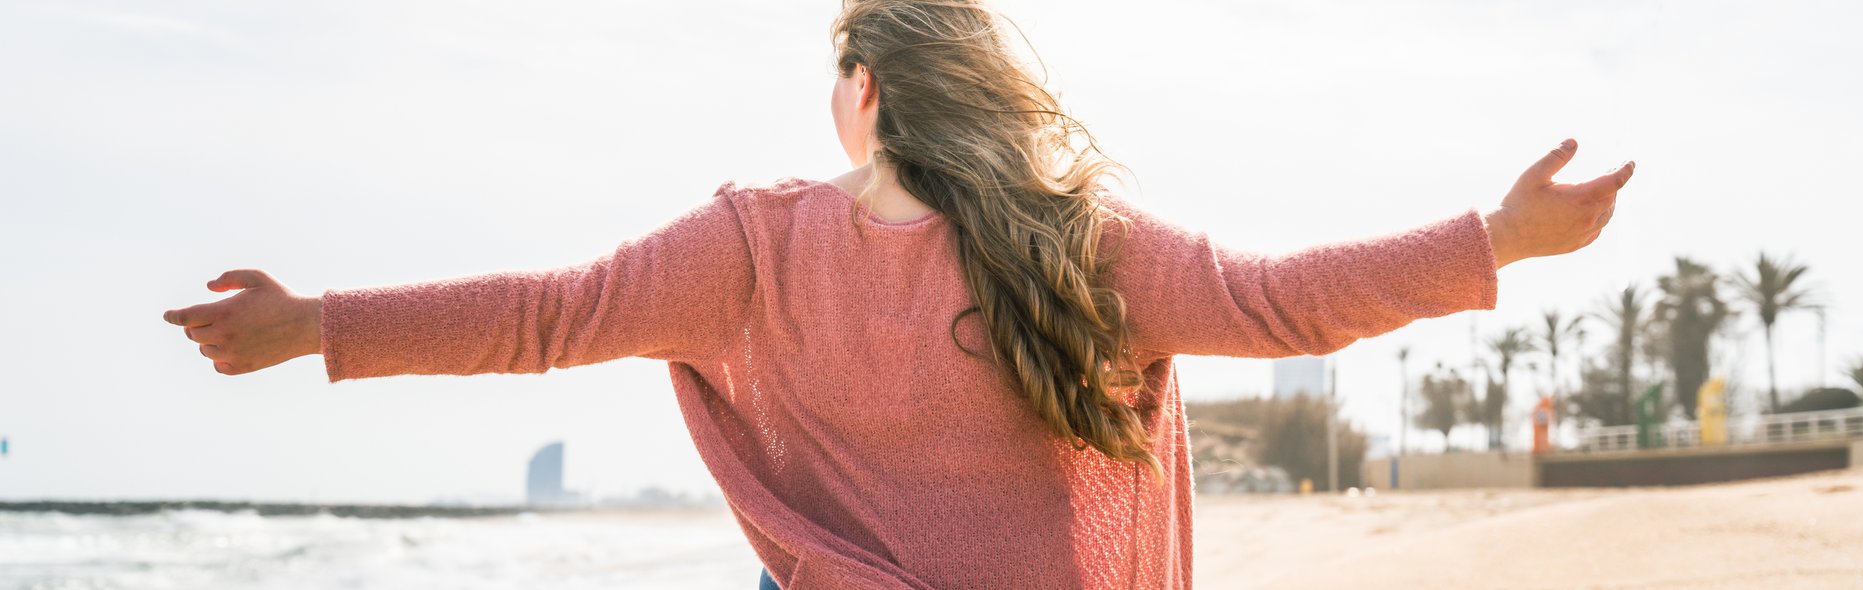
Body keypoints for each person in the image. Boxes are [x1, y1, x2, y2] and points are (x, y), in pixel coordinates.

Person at [160, 1, 1634, 587]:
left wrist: (317, 325)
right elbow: (1280, 301)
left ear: (861, 92)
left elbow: (542, 314)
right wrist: (1491, 237)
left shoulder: (745, 246)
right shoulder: (1077, 240)